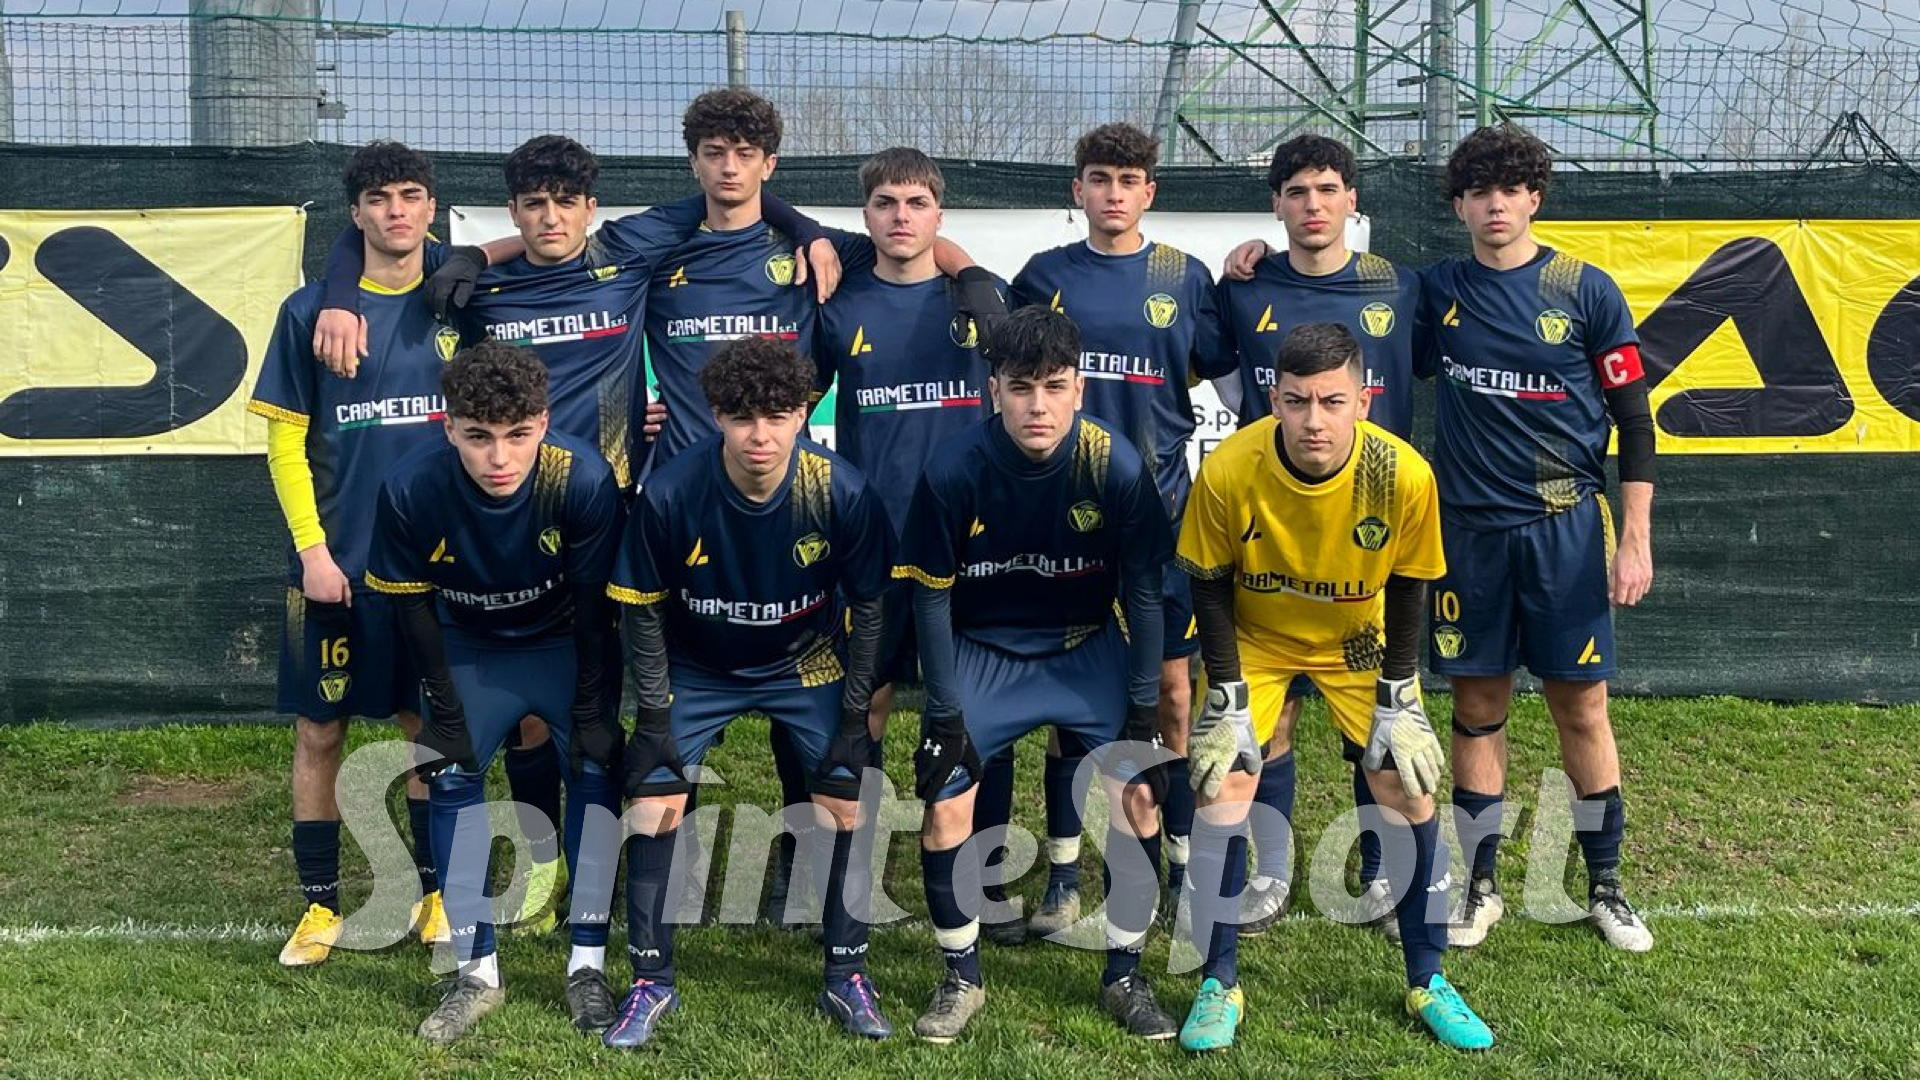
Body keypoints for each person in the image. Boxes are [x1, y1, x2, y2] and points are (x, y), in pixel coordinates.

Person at [313, 128, 832, 939]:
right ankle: (545, 865)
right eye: (533, 205)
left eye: (565, 203)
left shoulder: (627, 253)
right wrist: (352, 288)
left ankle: (648, 863)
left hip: (614, 508)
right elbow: (383, 240)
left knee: (623, 696)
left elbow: (734, 196)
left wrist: (808, 230)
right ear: (513, 211)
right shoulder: (479, 286)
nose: (550, 218)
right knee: (533, 711)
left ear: (592, 208)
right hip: (515, 513)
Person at [1174, 322, 1491, 1052]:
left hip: (1358, 638)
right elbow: (1208, 583)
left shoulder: (1402, 473)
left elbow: (1409, 583)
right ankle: (1218, 983)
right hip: (1258, 637)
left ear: (1363, 402)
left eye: (1331, 401)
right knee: (1221, 788)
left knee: (1408, 786)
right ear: (1274, 401)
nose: (1313, 420)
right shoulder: (1231, 467)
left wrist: (1399, 693)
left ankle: (1429, 979)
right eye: (1296, 401)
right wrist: (1226, 697)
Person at [603, 336, 897, 1047]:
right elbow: (642, 610)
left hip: (803, 661)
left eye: (776, 416)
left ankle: (847, 973)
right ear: (716, 417)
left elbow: (870, 612)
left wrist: (854, 718)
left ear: (803, 414)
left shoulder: (840, 490)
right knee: (653, 802)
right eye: (742, 418)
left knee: (847, 794)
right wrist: (655, 718)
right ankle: (650, 981)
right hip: (699, 664)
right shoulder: (673, 491)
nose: (759, 435)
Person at [895, 307, 1175, 1044]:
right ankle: (961, 977)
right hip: (983, 652)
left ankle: (1125, 975)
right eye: (1021, 388)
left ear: (1079, 389)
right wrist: (945, 712)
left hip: (1085, 649)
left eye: (1054, 387)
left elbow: (1145, 594)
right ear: (994, 391)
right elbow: (930, 597)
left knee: (1138, 797)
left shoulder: (1113, 464)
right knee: (946, 806)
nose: (1038, 406)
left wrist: (1142, 709)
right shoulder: (954, 469)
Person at [1419, 124, 1657, 952]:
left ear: (1535, 199)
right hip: (1467, 535)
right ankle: (1479, 885)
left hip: (1563, 530)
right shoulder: (1435, 290)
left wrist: (1635, 538)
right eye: (1480, 192)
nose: (1497, 204)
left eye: (1511, 190)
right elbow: (1341, 295)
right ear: (1460, 206)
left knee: (1580, 706)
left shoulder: (1586, 290)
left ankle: (1607, 886)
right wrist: (1254, 258)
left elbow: (1635, 422)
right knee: (1476, 707)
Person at [364, 341, 626, 1043]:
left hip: (561, 642)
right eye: (479, 436)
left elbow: (597, 608)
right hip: (468, 646)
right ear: (448, 427)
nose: (499, 457)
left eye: (518, 435)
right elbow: (412, 607)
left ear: (545, 424)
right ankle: (476, 974)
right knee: (448, 773)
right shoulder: (412, 487)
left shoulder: (582, 478)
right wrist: (443, 711)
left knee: (596, 768)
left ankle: (588, 966)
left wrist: (595, 705)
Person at [1006, 123, 1231, 937]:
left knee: (1172, 693)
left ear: (1149, 192)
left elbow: (1227, 375)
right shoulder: (1044, 276)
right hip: (1064, 526)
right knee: (1072, 699)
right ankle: (1064, 876)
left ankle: (1181, 860)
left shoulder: (1185, 276)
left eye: (1128, 180)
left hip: (1158, 521)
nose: (1113, 192)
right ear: (1078, 190)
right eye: (1099, 178)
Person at [1214, 133, 1424, 936]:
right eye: (1297, 191)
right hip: (1269, 534)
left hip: (1368, 538)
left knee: (1373, 721)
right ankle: (1270, 871)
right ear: (1276, 203)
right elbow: (1216, 374)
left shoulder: (1398, 285)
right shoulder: (1243, 287)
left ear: (1352, 201)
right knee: (1269, 721)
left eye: (1328, 189)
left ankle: (1381, 871)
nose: (1313, 205)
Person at [248, 140, 447, 967]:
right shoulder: (308, 313)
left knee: (428, 732)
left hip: (434, 571)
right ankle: (320, 905)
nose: (396, 211)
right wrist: (313, 550)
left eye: (409, 195)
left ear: (431, 207)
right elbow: (285, 445)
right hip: (334, 567)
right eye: (379, 198)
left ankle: (437, 894)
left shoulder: (459, 300)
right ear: (355, 213)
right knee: (319, 730)